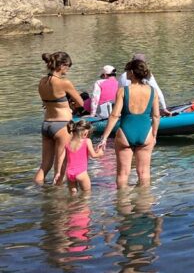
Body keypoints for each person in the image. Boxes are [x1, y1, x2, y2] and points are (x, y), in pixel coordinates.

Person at [96, 58, 160, 188]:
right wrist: (154, 135)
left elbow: (114, 115)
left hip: (125, 132)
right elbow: (156, 116)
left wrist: (104, 138)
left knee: (122, 175)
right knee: (144, 173)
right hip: (145, 132)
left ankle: (123, 205)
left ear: (131, 72)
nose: (125, 74)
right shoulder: (152, 91)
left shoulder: (123, 91)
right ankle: (143, 204)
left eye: (126, 72)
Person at [35, 52, 85, 185]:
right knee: (61, 166)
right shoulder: (64, 83)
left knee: (44, 165)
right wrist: (72, 106)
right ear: (62, 65)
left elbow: (47, 103)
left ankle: (36, 190)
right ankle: (58, 199)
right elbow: (81, 103)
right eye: (68, 66)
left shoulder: (42, 82)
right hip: (62, 125)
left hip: (46, 124)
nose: (68, 70)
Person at [57, 121, 103, 193]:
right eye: (87, 133)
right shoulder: (87, 141)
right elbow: (94, 155)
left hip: (69, 173)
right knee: (86, 195)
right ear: (85, 133)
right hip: (81, 173)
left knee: (73, 195)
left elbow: (63, 160)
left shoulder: (67, 143)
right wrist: (100, 152)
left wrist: (59, 173)